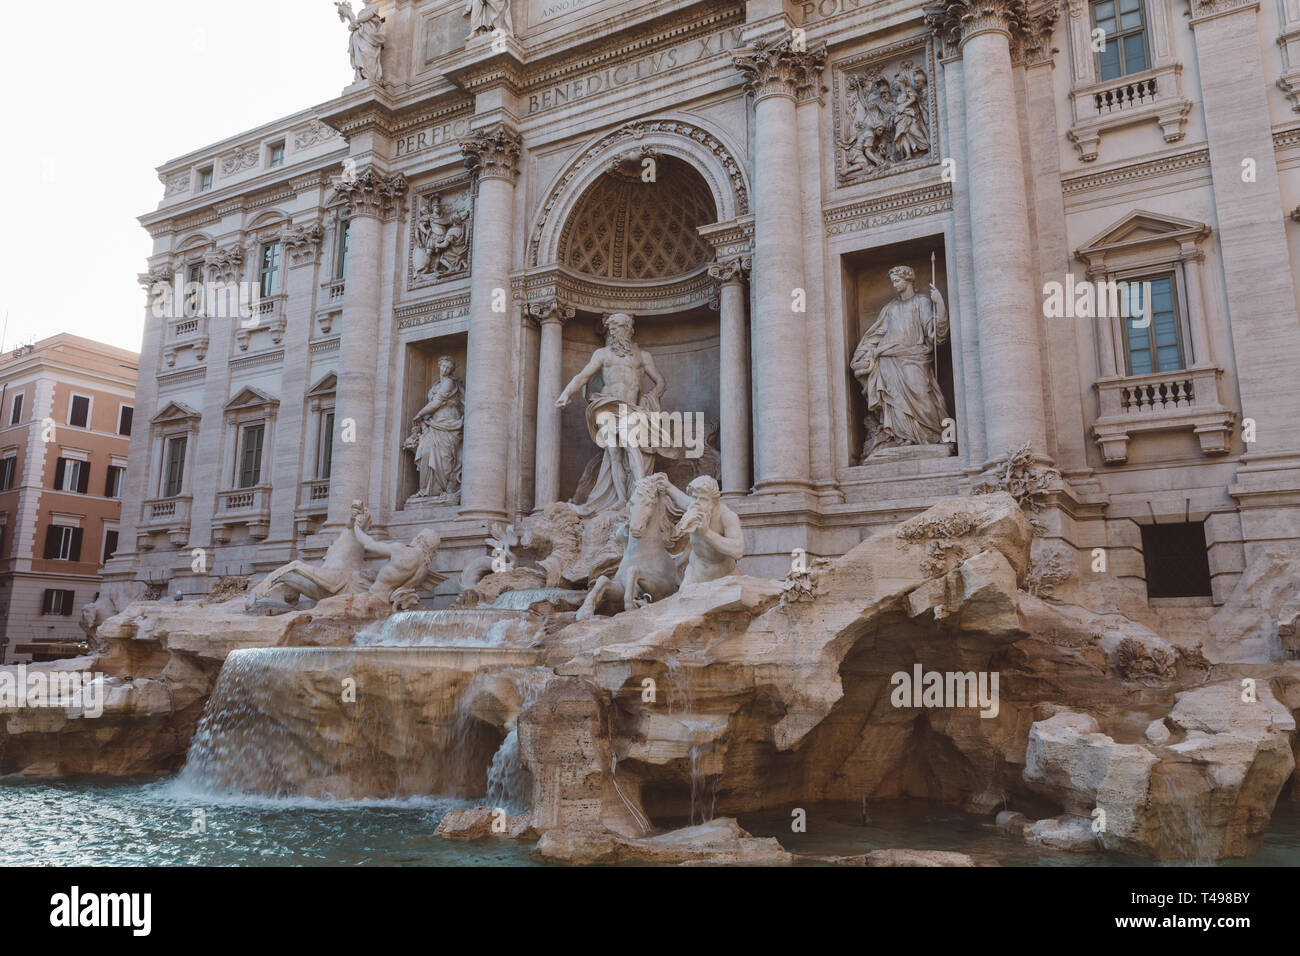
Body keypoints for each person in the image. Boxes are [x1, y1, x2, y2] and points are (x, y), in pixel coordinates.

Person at [850, 265, 949, 460]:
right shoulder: (891, 308)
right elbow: (876, 334)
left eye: (897, 280)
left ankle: (930, 437)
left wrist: (940, 305)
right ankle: (900, 436)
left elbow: (936, 335)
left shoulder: (922, 302)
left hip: (915, 357)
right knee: (894, 401)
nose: (895, 284)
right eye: (893, 281)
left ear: (908, 280)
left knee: (922, 395)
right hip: (889, 360)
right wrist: (864, 353)